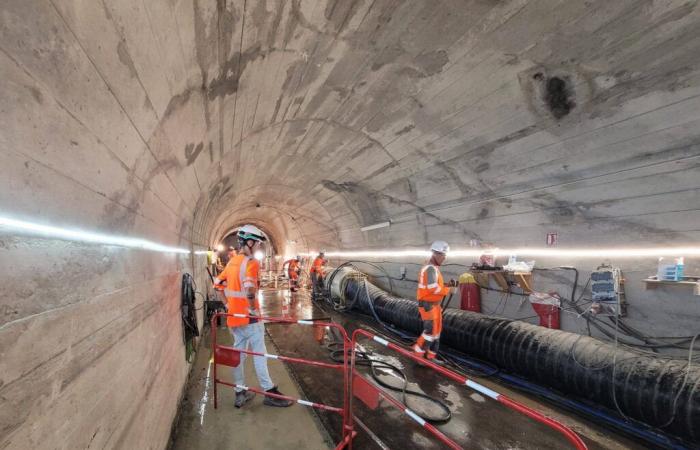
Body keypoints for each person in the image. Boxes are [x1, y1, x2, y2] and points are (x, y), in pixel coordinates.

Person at [213, 224, 293, 408]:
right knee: (259, 354)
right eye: (257, 244)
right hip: (250, 319)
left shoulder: (232, 262)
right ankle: (269, 392)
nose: (258, 247)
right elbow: (249, 290)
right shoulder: (251, 263)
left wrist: (227, 304)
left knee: (239, 355)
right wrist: (252, 310)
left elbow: (217, 284)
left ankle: (240, 392)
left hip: (233, 318)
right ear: (249, 242)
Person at [412, 241, 457, 361]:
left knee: (436, 332)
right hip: (428, 305)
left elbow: (434, 285)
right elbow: (433, 288)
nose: (444, 258)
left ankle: (431, 357)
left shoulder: (434, 269)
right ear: (436, 254)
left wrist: (447, 285)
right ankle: (418, 354)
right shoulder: (430, 269)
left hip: (435, 306)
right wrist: (448, 290)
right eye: (443, 255)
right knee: (429, 331)